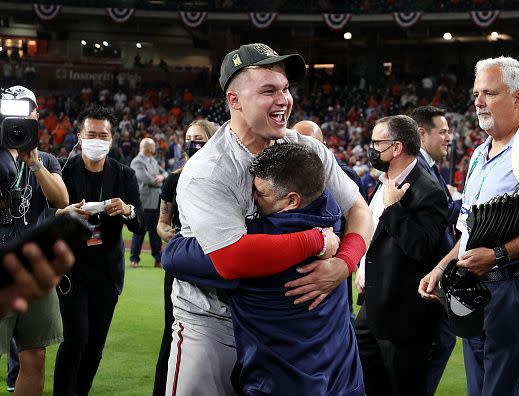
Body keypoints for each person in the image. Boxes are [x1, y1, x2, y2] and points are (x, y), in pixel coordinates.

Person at [167, 43, 373, 395]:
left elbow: (359, 210)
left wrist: (345, 263)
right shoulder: (209, 170)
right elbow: (231, 259)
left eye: (285, 89)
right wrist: (320, 240)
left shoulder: (306, 149)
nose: (284, 99)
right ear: (234, 100)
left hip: (284, 329)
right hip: (213, 322)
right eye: (268, 90)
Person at [419, 57, 519, 396]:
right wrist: (442, 266)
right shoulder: (478, 154)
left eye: (489, 93)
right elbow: (468, 232)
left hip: (517, 289)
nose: (478, 101)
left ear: (518, 98)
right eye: (476, 93)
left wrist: (498, 254)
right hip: (474, 291)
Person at [163, 143, 363, 395]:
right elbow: (359, 210)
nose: (252, 199)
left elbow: (173, 254)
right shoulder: (332, 215)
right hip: (345, 376)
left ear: (292, 200)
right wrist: (335, 252)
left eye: (260, 193)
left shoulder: (256, 244)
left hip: (283, 382)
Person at [52, 105, 145, 396]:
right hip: (72, 270)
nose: (96, 139)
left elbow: (140, 225)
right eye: (90, 133)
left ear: (112, 139)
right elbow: (46, 218)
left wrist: (128, 211)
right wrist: (64, 214)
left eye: (102, 135)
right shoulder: (62, 170)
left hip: (107, 272)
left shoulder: (124, 175)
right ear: (79, 136)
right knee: (76, 340)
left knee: (94, 347)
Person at [353, 115, 448, 395]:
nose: (371, 149)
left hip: (404, 319)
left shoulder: (429, 191)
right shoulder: (385, 182)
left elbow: (421, 248)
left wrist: (395, 209)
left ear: (396, 148)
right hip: (371, 307)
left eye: (376, 143)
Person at [0, 85, 69, 396]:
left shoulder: (45, 159)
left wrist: (34, 164)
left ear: (35, 117)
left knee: (36, 354)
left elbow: (61, 200)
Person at [152, 119, 217, 396]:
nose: (192, 143)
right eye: (189, 137)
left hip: (217, 263)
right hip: (184, 263)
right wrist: (179, 239)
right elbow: (162, 223)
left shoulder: (224, 176)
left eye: (199, 137)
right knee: (173, 330)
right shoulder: (174, 179)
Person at [292, 119, 366, 321]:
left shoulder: (343, 175)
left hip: (333, 276)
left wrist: (343, 263)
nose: (302, 149)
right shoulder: (283, 174)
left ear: (322, 147)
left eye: (309, 143)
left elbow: (358, 220)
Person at [410, 105, 460, 394]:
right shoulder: (417, 168)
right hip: (427, 278)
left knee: (440, 342)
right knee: (437, 344)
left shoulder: (427, 168)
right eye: (442, 131)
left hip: (433, 276)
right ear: (421, 134)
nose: (449, 137)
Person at [130, 137, 168, 268]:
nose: (155, 148)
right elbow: (149, 180)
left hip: (155, 202)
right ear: (147, 148)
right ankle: (134, 259)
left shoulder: (152, 160)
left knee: (155, 233)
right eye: (153, 146)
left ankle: (158, 259)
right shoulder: (137, 162)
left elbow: (165, 173)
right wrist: (159, 179)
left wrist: (161, 177)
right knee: (139, 231)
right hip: (144, 203)